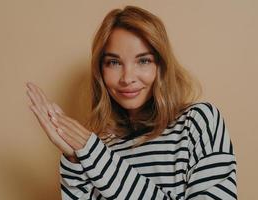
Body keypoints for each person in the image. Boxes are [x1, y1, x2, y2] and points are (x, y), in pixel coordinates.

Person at [26, 5, 237, 200]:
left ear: (161, 66)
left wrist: (95, 157)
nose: (127, 78)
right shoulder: (101, 144)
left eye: (143, 60)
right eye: (114, 62)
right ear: (100, 70)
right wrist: (75, 160)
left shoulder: (198, 123)